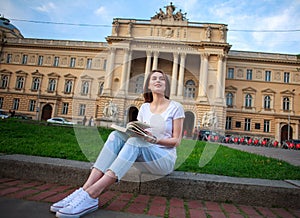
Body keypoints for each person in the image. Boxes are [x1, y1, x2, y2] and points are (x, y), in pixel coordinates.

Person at [50, 69, 185, 218]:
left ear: (166, 86)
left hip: (163, 160)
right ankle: (84, 190)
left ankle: (92, 194)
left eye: (162, 79)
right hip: (143, 156)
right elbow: (140, 131)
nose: (158, 81)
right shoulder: (144, 108)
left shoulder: (175, 107)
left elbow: (176, 141)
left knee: (135, 142)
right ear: (148, 85)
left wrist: (155, 140)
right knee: (115, 135)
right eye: (154, 78)